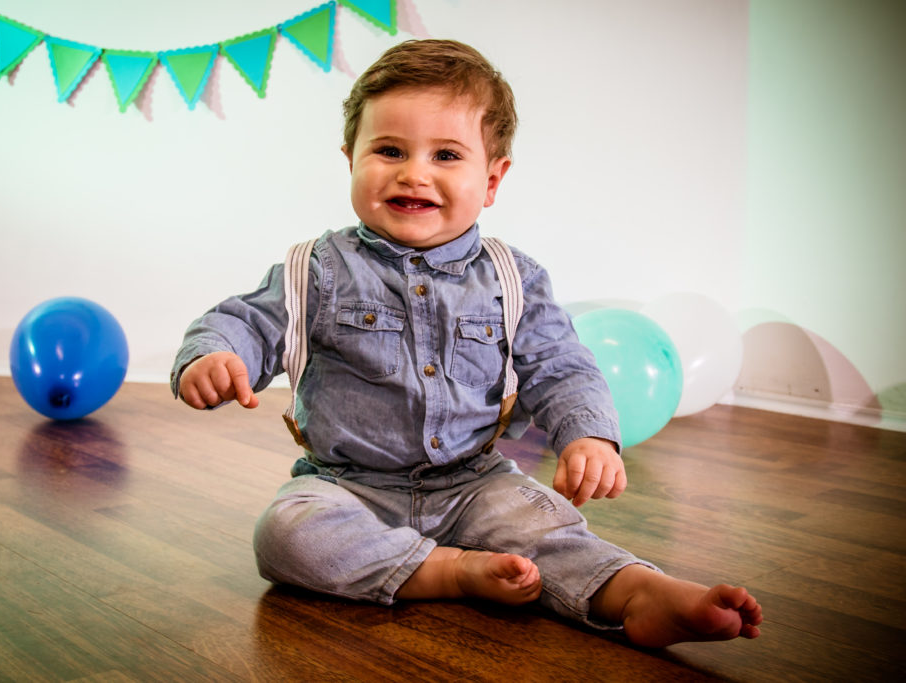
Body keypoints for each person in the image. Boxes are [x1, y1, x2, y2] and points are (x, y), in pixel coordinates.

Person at [171, 39, 762, 648]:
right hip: (346, 485)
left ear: (492, 179)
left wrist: (587, 433)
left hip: (474, 482)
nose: (414, 172)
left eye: (447, 155)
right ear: (350, 159)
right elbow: (244, 321)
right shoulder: (316, 269)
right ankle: (448, 571)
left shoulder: (514, 278)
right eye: (389, 150)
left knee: (548, 527)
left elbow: (560, 366)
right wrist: (215, 355)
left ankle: (636, 590)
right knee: (286, 533)